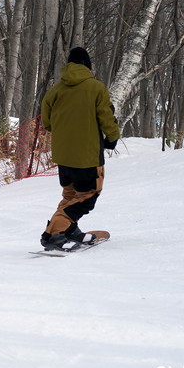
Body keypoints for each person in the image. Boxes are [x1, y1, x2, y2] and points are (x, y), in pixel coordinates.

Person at [39, 46, 120, 251]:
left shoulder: (55, 91)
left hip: (63, 156)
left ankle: (68, 230)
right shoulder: (96, 88)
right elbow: (106, 117)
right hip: (87, 155)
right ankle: (54, 233)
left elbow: (47, 123)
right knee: (88, 195)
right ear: (88, 66)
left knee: (70, 196)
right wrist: (112, 137)